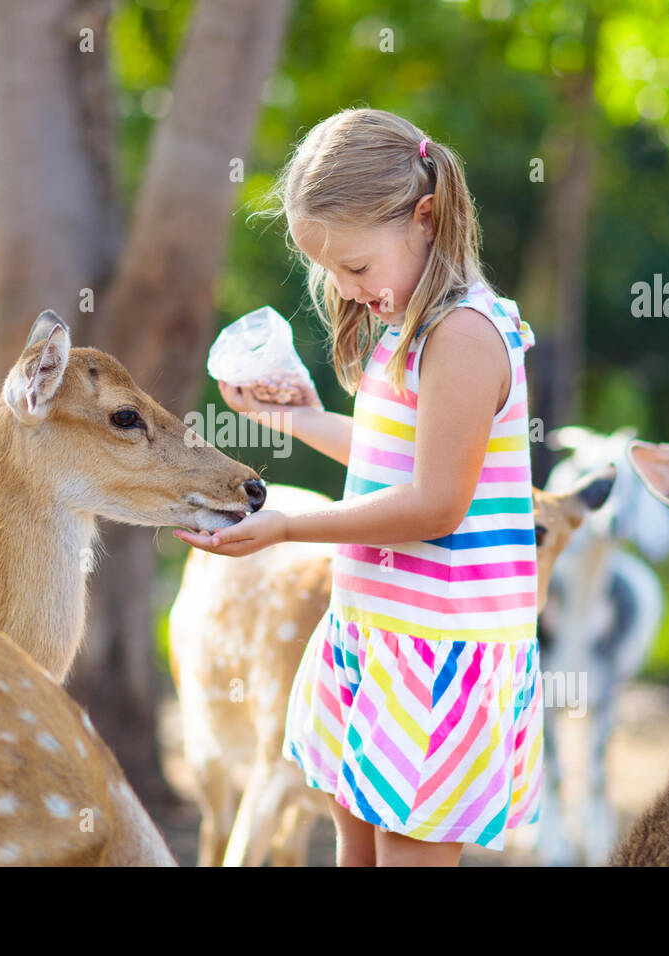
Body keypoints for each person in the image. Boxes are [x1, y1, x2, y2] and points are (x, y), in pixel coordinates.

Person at [173, 108, 540, 867]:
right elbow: (390, 463)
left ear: (426, 217)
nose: (345, 287)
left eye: (357, 267)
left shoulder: (464, 336)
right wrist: (304, 418)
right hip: (374, 640)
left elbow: (438, 502)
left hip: (437, 659)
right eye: (332, 271)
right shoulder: (408, 327)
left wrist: (284, 529)